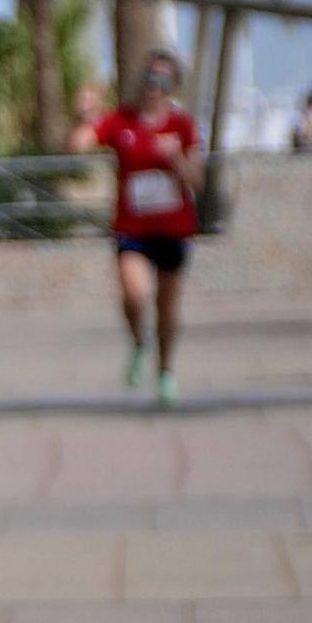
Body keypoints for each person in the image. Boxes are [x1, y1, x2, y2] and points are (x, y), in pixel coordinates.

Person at [68, 50, 205, 407]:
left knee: (167, 306)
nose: (153, 87)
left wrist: (174, 157)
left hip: (174, 228)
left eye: (162, 81)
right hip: (133, 228)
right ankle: (139, 345)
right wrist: (84, 114)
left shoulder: (182, 125)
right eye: (149, 79)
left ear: (172, 85)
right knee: (135, 294)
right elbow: (79, 143)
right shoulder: (122, 120)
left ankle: (165, 371)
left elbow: (198, 179)